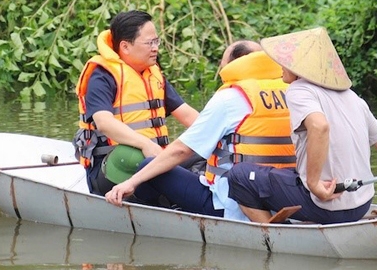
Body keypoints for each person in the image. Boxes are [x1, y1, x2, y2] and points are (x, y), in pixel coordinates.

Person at [227, 27, 377, 224]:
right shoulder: (352, 97)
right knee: (285, 173)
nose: (280, 65)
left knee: (239, 175)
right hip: (361, 205)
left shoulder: (299, 90)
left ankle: (275, 237)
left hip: (326, 205)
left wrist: (315, 184)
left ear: (301, 69)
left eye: (286, 62)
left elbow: (319, 126)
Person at [104, 40, 295, 219]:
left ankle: (157, 212)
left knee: (148, 166)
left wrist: (131, 182)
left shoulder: (231, 97)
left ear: (236, 65)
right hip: (282, 197)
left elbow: (181, 150)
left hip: (231, 205)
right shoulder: (291, 92)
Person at [75, 10, 199, 195]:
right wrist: (145, 145)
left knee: (199, 150)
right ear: (125, 47)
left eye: (157, 41)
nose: (156, 48)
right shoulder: (102, 76)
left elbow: (188, 115)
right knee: (133, 156)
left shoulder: (154, 76)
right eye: (150, 43)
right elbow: (104, 122)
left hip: (153, 158)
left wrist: (220, 138)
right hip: (111, 166)